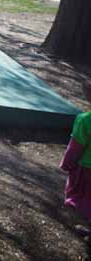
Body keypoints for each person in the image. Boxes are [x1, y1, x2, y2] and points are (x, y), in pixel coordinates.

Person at [60, 80, 91, 242]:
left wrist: (67, 164)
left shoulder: (85, 120)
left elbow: (75, 147)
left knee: (85, 199)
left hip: (87, 169)